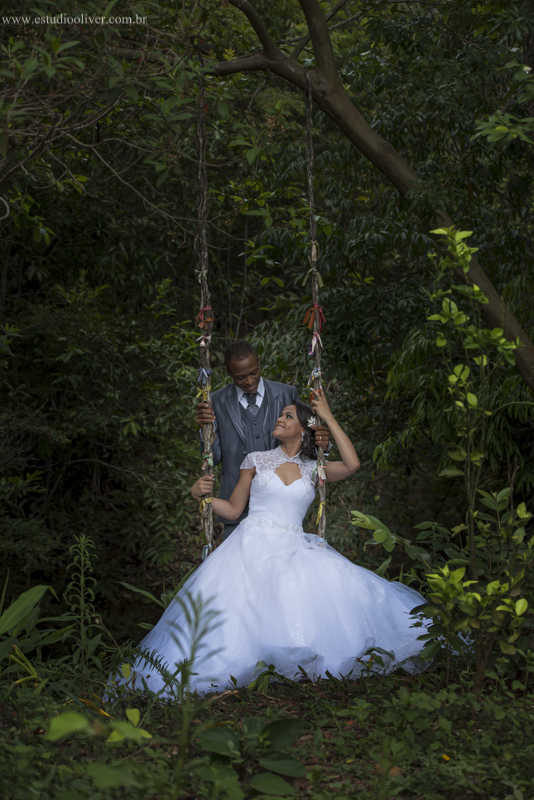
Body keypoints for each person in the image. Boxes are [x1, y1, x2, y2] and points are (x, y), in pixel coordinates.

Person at [119, 389, 427, 697]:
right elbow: (235, 510)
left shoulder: (314, 468)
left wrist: (328, 416)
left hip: (294, 547)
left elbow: (352, 464)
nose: (280, 418)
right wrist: (201, 495)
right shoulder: (256, 460)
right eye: (281, 414)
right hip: (249, 543)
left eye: (288, 416)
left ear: (304, 430)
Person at [195, 340, 330, 540]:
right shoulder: (216, 402)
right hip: (234, 510)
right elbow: (213, 458)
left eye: (254, 372)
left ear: (259, 362)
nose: (249, 381)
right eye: (240, 377)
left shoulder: (287, 394)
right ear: (228, 371)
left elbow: (305, 440)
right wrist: (203, 430)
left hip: (279, 509)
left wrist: (324, 445)